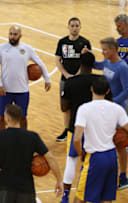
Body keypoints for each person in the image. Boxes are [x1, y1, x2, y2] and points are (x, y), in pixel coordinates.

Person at [0, 104, 63, 203]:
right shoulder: (32, 137)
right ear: (20, 119)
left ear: (7, 119)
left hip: (5, 188)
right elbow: (50, 158)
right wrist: (59, 180)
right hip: (26, 189)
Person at [73, 77, 128, 203]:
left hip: (94, 158)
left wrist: (81, 153)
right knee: (106, 199)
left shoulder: (84, 109)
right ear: (108, 91)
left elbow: (76, 138)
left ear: (91, 89)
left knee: (80, 198)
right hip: (112, 158)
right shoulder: (117, 108)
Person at [60, 52, 105, 203]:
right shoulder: (100, 82)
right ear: (93, 65)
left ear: (80, 63)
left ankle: (65, 197)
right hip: (95, 129)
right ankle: (85, 193)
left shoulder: (71, 82)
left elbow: (63, 107)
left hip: (75, 128)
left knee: (71, 161)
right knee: (89, 164)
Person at [0, 25, 51, 131]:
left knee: (23, 118)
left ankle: (23, 139)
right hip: (5, 90)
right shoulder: (0, 48)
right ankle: (0, 140)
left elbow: (40, 63)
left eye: (15, 34)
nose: (12, 36)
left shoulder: (27, 49)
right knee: (1, 117)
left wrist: (47, 79)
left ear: (20, 35)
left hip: (22, 90)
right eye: (10, 34)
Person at [89, 37, 128, 189]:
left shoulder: (123, 67)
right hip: (106, 109)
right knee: (106, 142)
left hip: (118, 110)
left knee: (120, 144)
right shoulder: (107, 62)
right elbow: (97, 65)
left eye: (105, 49)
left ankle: (124, 176)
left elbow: (127, 90)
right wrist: (89, 54)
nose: (103, 52)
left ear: (113, 50)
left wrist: (112, 103)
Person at [55, 17, 91, 142]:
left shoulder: (85, 42)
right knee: (65, 107)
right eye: (72, 25)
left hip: (80, 80)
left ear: (80, 27)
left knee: (81, 106)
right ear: (68, 27)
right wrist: (66, 74)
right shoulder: (62, 42)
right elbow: (57, 60)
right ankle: (66, 130)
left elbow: (87, 62)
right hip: (65, 79)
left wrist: (77, 75)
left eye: (77, 26)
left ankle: (83, 131)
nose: (75, 28)